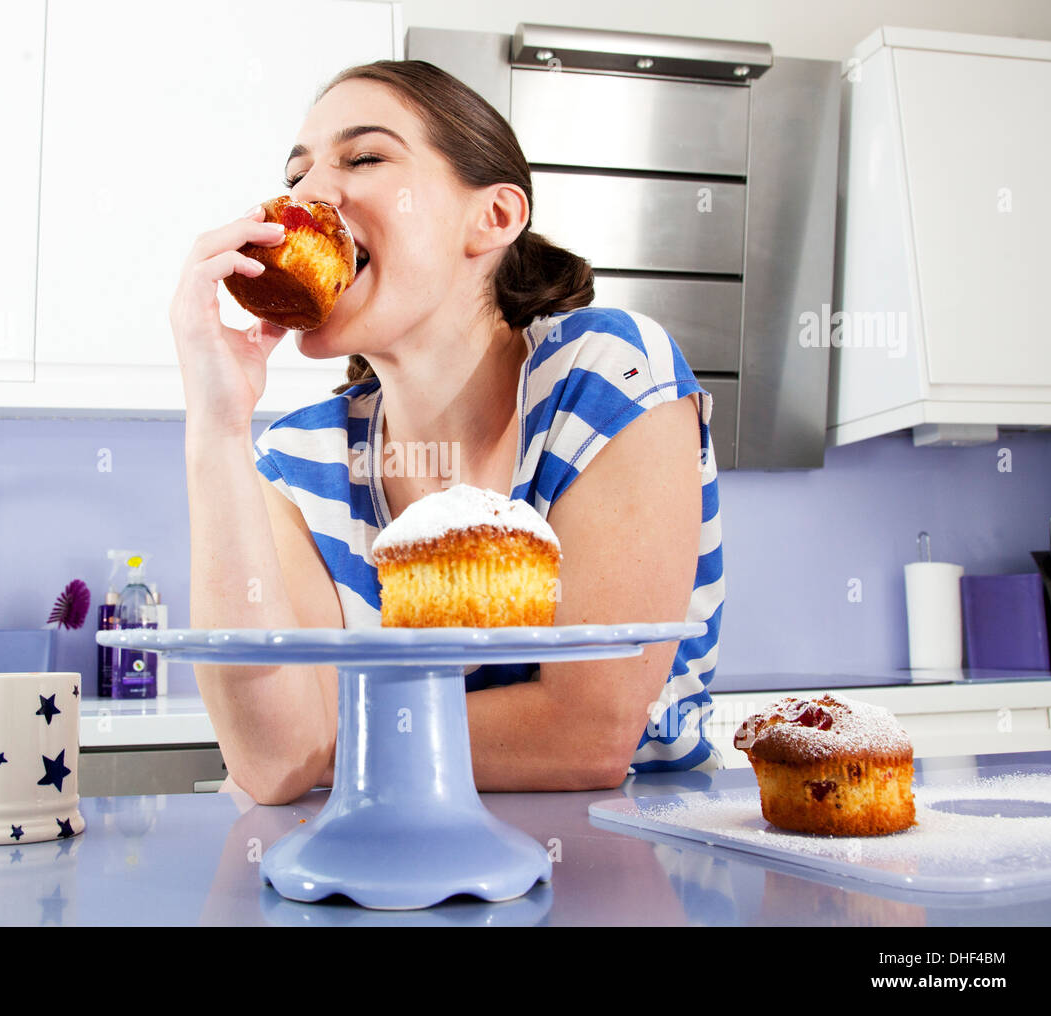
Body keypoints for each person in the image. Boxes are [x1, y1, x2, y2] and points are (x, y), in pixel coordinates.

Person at [169, 60, 724, 806]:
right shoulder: (298, 461)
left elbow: (585, 733)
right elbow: (270, 760)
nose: (303, 197)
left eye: (364, 158)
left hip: (616, 867)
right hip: (382, 874)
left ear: (492, 218)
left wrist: (325, 744)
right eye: (296, 175)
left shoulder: (608, 374)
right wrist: (216, 422)